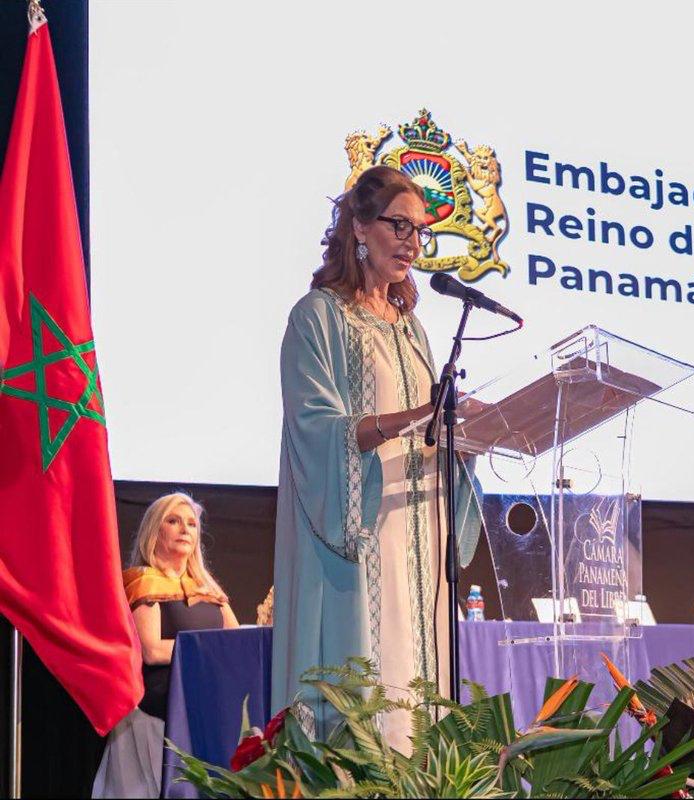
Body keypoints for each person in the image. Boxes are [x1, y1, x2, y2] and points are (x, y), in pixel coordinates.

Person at [271, 165, 482, 753]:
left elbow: (431, 424)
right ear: (360, 227)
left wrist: (464, 429)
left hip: (418, 535)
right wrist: (412, 418)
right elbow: (316, 429)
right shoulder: (317, 317)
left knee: (418, 698)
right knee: (365, 693)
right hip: (357, 536)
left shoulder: (412, 327)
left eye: (421, 231)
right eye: (401, 226)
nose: (414, 242)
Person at [92, 492, 238, 798]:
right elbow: (153, 651)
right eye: (173, 521)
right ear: (155, 532)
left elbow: (234, 640)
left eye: (191, 523)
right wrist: (203, 650)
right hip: (159, 707)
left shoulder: (208, 589)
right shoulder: (145, 581)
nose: (185, 529)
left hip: (206, 704)